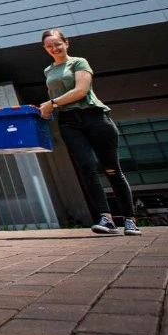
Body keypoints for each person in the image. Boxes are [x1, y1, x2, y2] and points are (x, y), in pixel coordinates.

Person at [38, 29, 140, 236]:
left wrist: (52, 103)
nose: (54, 48)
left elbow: (81, 91)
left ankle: (130, 219)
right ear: (45, 49)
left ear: (66, 43)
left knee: (112, 169)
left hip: (94, 117)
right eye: (49, 46)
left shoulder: (79, 62)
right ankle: (106, 219)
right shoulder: (48, 70)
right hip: (68, 122)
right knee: (86, 168)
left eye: (57, 44)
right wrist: (48, 109)